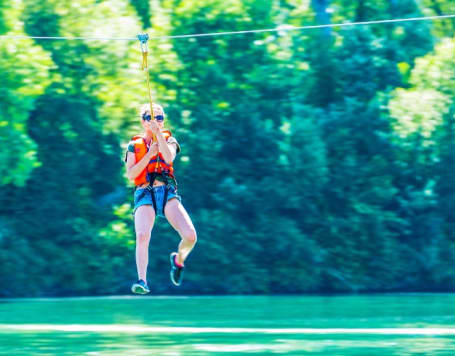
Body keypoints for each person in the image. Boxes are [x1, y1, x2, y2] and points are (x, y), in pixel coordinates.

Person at [125, 103, 197, 294]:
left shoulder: (170, 140)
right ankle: (142, 280)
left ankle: (178, 261)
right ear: (143, 121)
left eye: (159, 118)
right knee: (142, 235)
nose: (155, 121)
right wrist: (149, 154)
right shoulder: (134, 146)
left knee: (190, 236)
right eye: (150, 118)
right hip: (144, 192)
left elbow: (168, 158)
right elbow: (132, 174)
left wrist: (159, 139)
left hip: (166, 192)